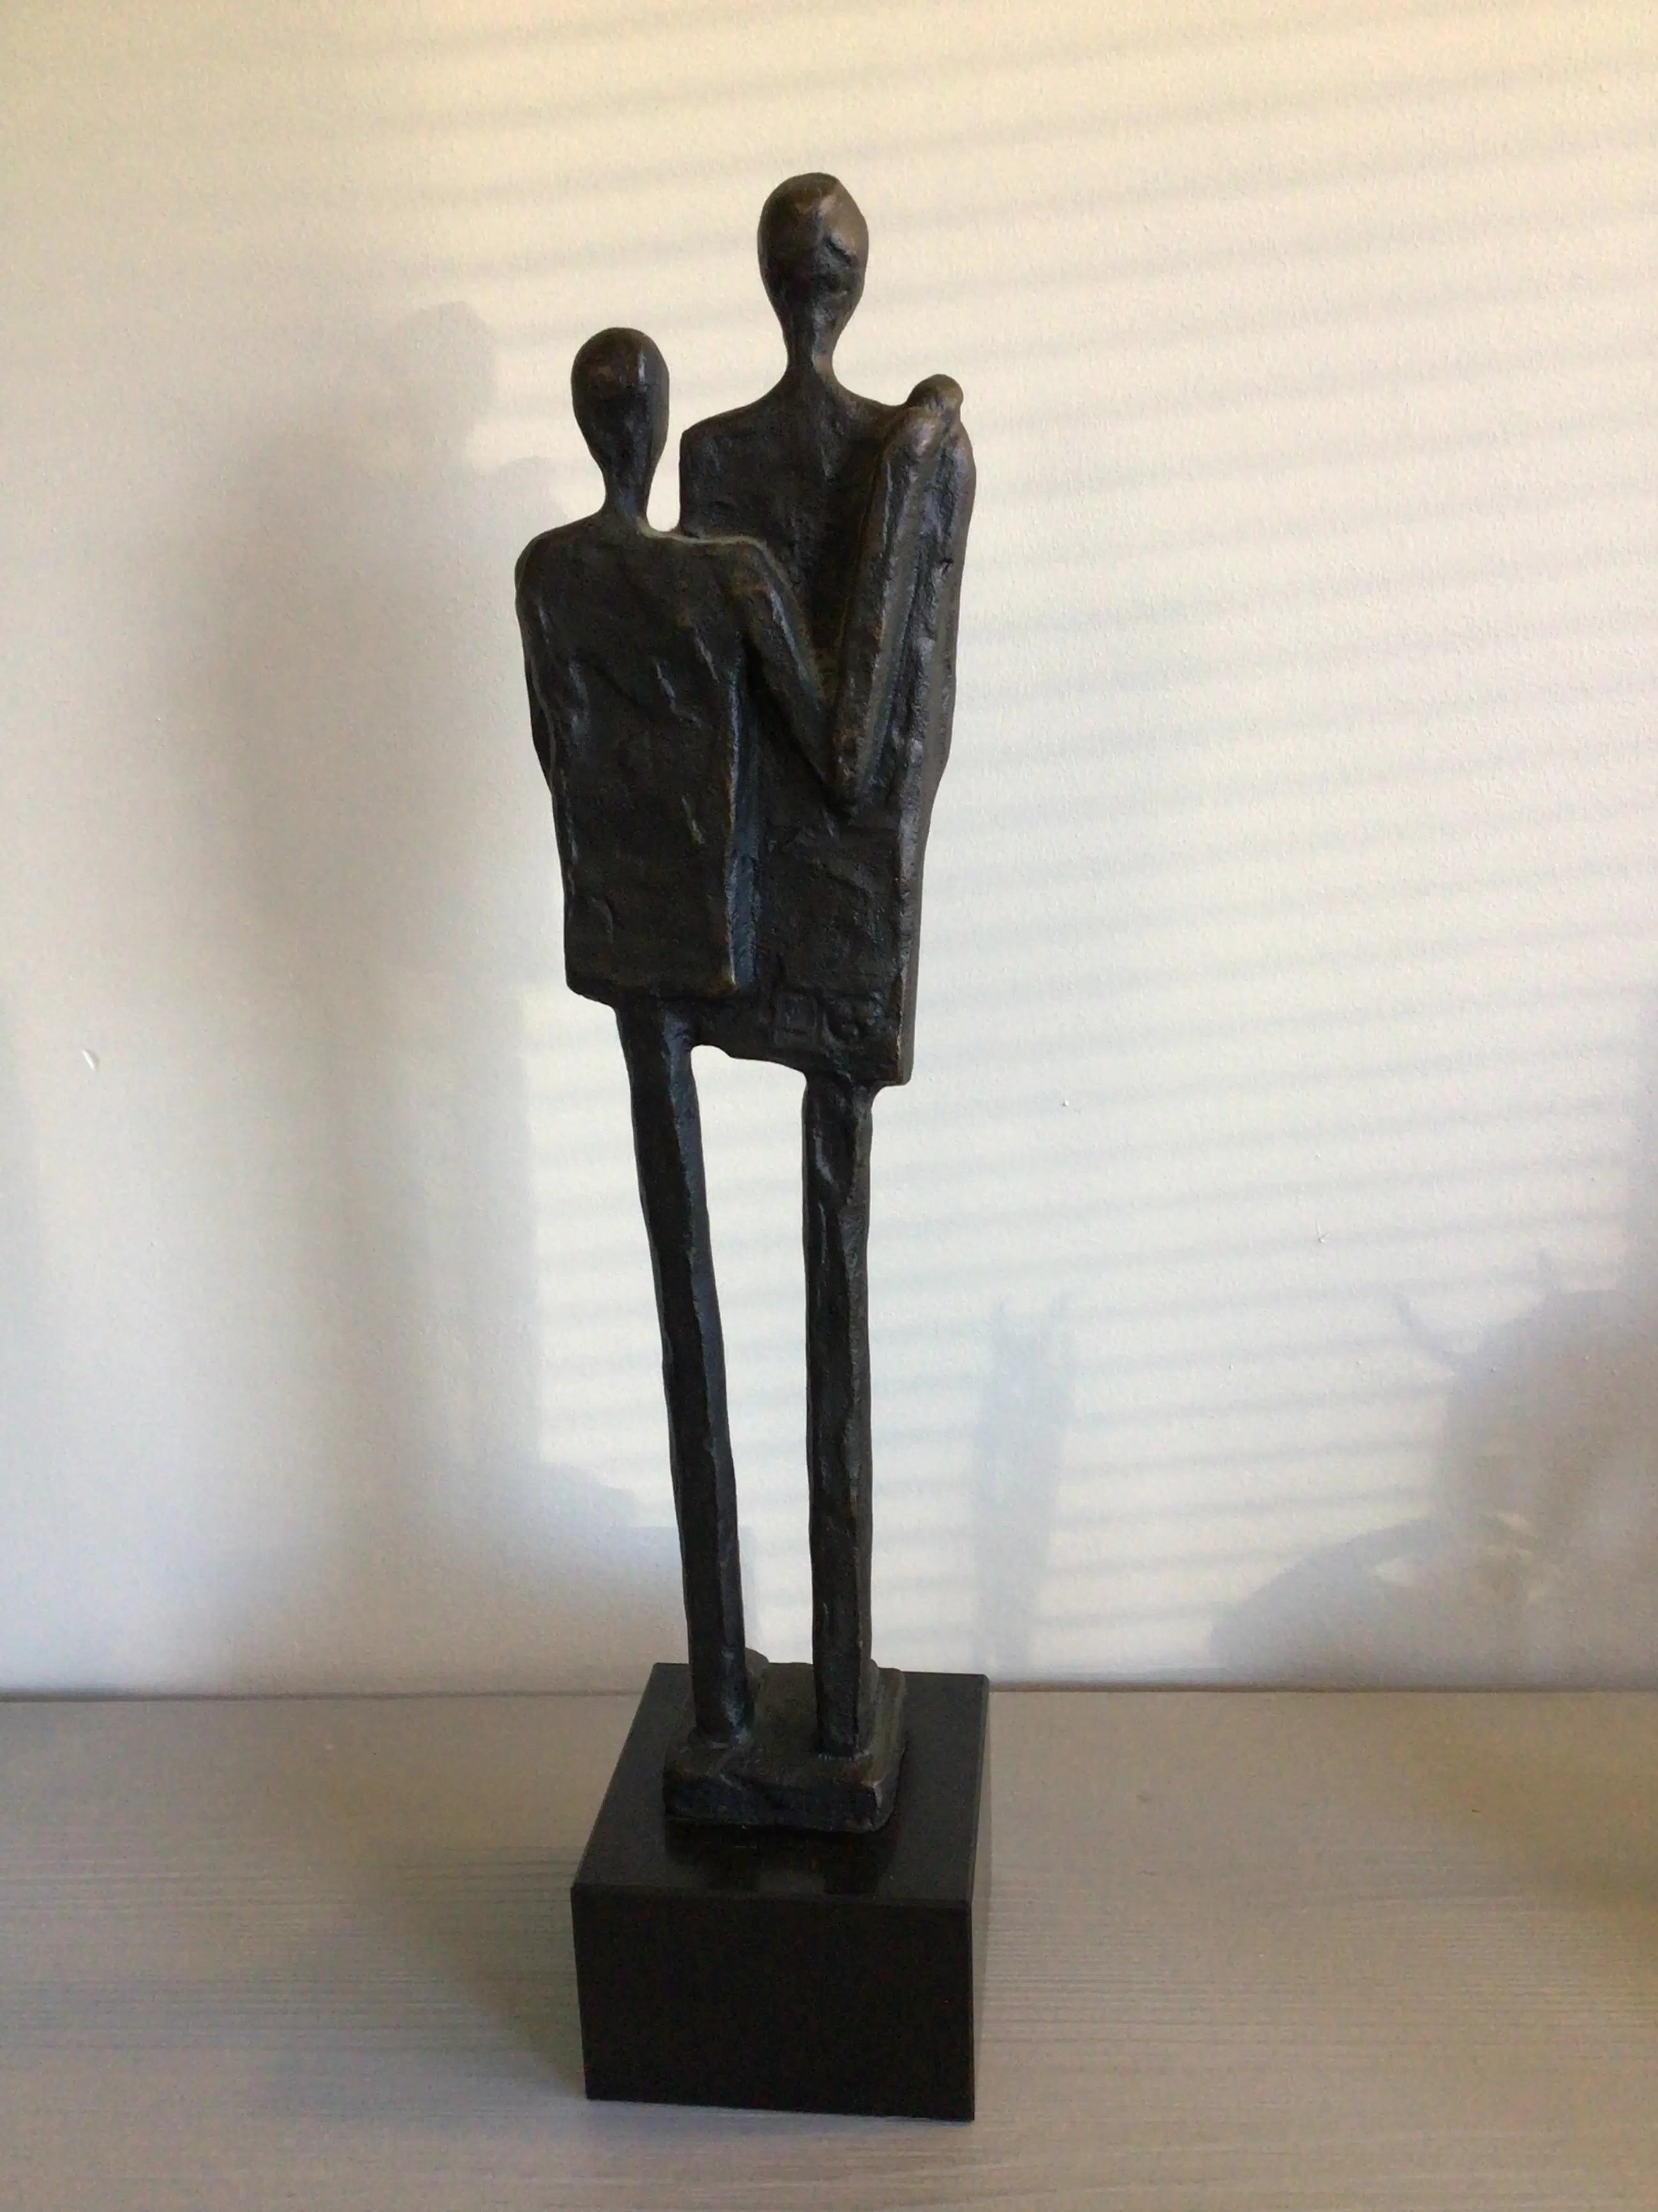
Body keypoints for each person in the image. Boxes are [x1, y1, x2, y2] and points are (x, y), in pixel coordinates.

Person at [680, 175, 975, 1765]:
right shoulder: (890, 453)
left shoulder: (726, 454)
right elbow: (910, 709)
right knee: (825, 1232)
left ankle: (839, 1693)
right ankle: (833, 1692)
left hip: (774, 879)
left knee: (821, 1232)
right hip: (824, 877)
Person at [516, 326, 835, 1748]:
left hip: (616, 915)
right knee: (695, 1290)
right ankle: (728, 1697)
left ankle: (722, 1682)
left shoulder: (546, 571)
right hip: (713, 922)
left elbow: (555, 738)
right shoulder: (728, 574)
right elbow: (830, 741)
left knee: (679, 1290)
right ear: (656, 426)